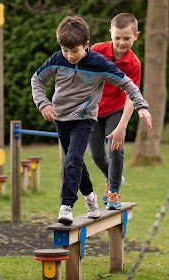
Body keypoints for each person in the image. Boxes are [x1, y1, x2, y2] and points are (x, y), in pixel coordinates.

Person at [31, 15, 152, 225]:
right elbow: (37, 79)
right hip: (62, 118)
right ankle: (90, 198)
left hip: (88, 117)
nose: (69, 56)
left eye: (75, 51)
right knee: (82, 159)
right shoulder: (59, 58)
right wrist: (44, 103)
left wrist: (140, 107)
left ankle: (68, 205)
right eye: (65, 50)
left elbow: (128, 85)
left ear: (86, 46)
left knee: (78, 158)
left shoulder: (100, 62)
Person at [88, 13, 141, 210]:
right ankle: (112, 178)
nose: (121, 42)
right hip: (93, 110)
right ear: (110, 33)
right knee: (96, 156)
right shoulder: (96, 51)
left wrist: (122, 126)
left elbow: (131, 96)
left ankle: (114, 191)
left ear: (136, 36)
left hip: (117, 110)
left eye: (126, 38)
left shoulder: (134, 64)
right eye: (117, 37)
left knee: (116, 150)